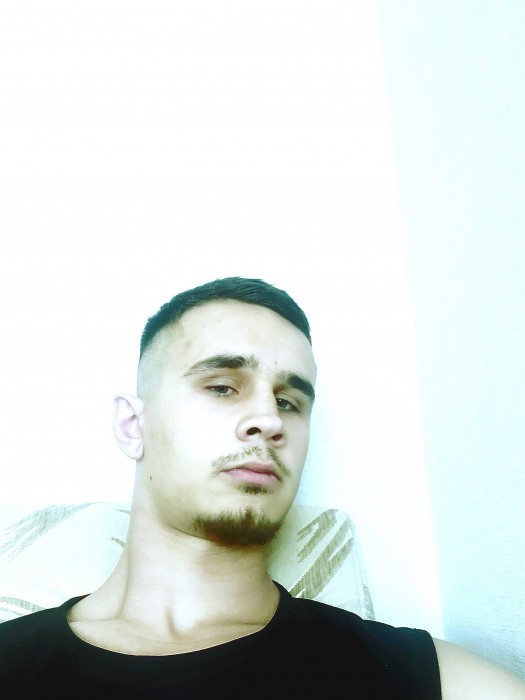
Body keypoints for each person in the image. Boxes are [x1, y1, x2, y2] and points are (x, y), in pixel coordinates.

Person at [1, 276, 524, 699]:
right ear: (133, 426)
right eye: (223, 387)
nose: (270, 420)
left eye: (290, 402)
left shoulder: (413, 674)